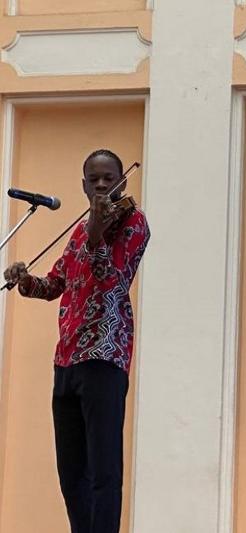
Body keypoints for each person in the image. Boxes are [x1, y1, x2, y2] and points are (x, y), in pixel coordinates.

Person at [4, 149, 149, 533]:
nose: (101, 184)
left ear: (122, 180)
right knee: (71, 473)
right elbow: (55, 285)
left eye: (109, 178)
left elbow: (112, 278)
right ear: (84, 185)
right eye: (94, 179)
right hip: (66, 359)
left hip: (104, 355)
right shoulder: (80, 231)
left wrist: (98, 236)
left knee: (103, 470)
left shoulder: (134, 222)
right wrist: (24, 279)